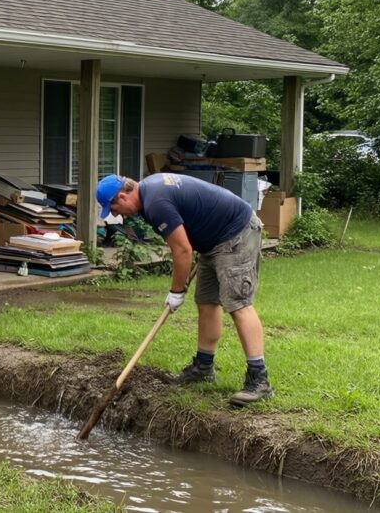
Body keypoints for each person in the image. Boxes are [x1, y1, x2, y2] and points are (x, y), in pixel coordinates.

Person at [95, 173, 272, 406]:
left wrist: (176, 291)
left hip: (236, 233)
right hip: (213, 240)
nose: (117, 214)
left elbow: (182, 250)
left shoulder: (155, 202)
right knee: (206, 301)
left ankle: (259, 380)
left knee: (238, 303)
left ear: (123, 195)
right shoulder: (150, 192)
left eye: (114, 208)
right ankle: (204, 367)